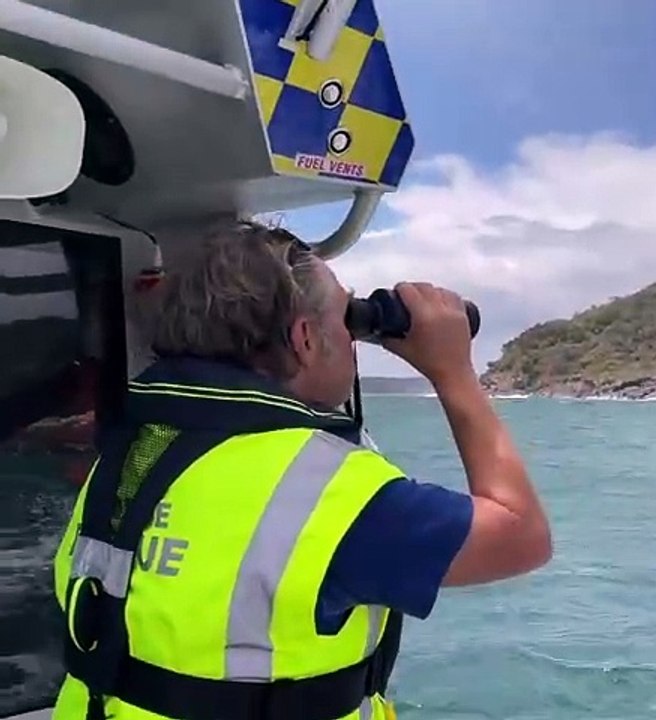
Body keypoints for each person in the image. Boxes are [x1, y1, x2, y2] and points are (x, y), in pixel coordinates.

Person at [47, 220, 552, 720]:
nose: (353, 339)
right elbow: (522, 535)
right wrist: (454, 371)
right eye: (345, 319)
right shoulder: (332, 498)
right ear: (306, 338)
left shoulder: (130, 451)